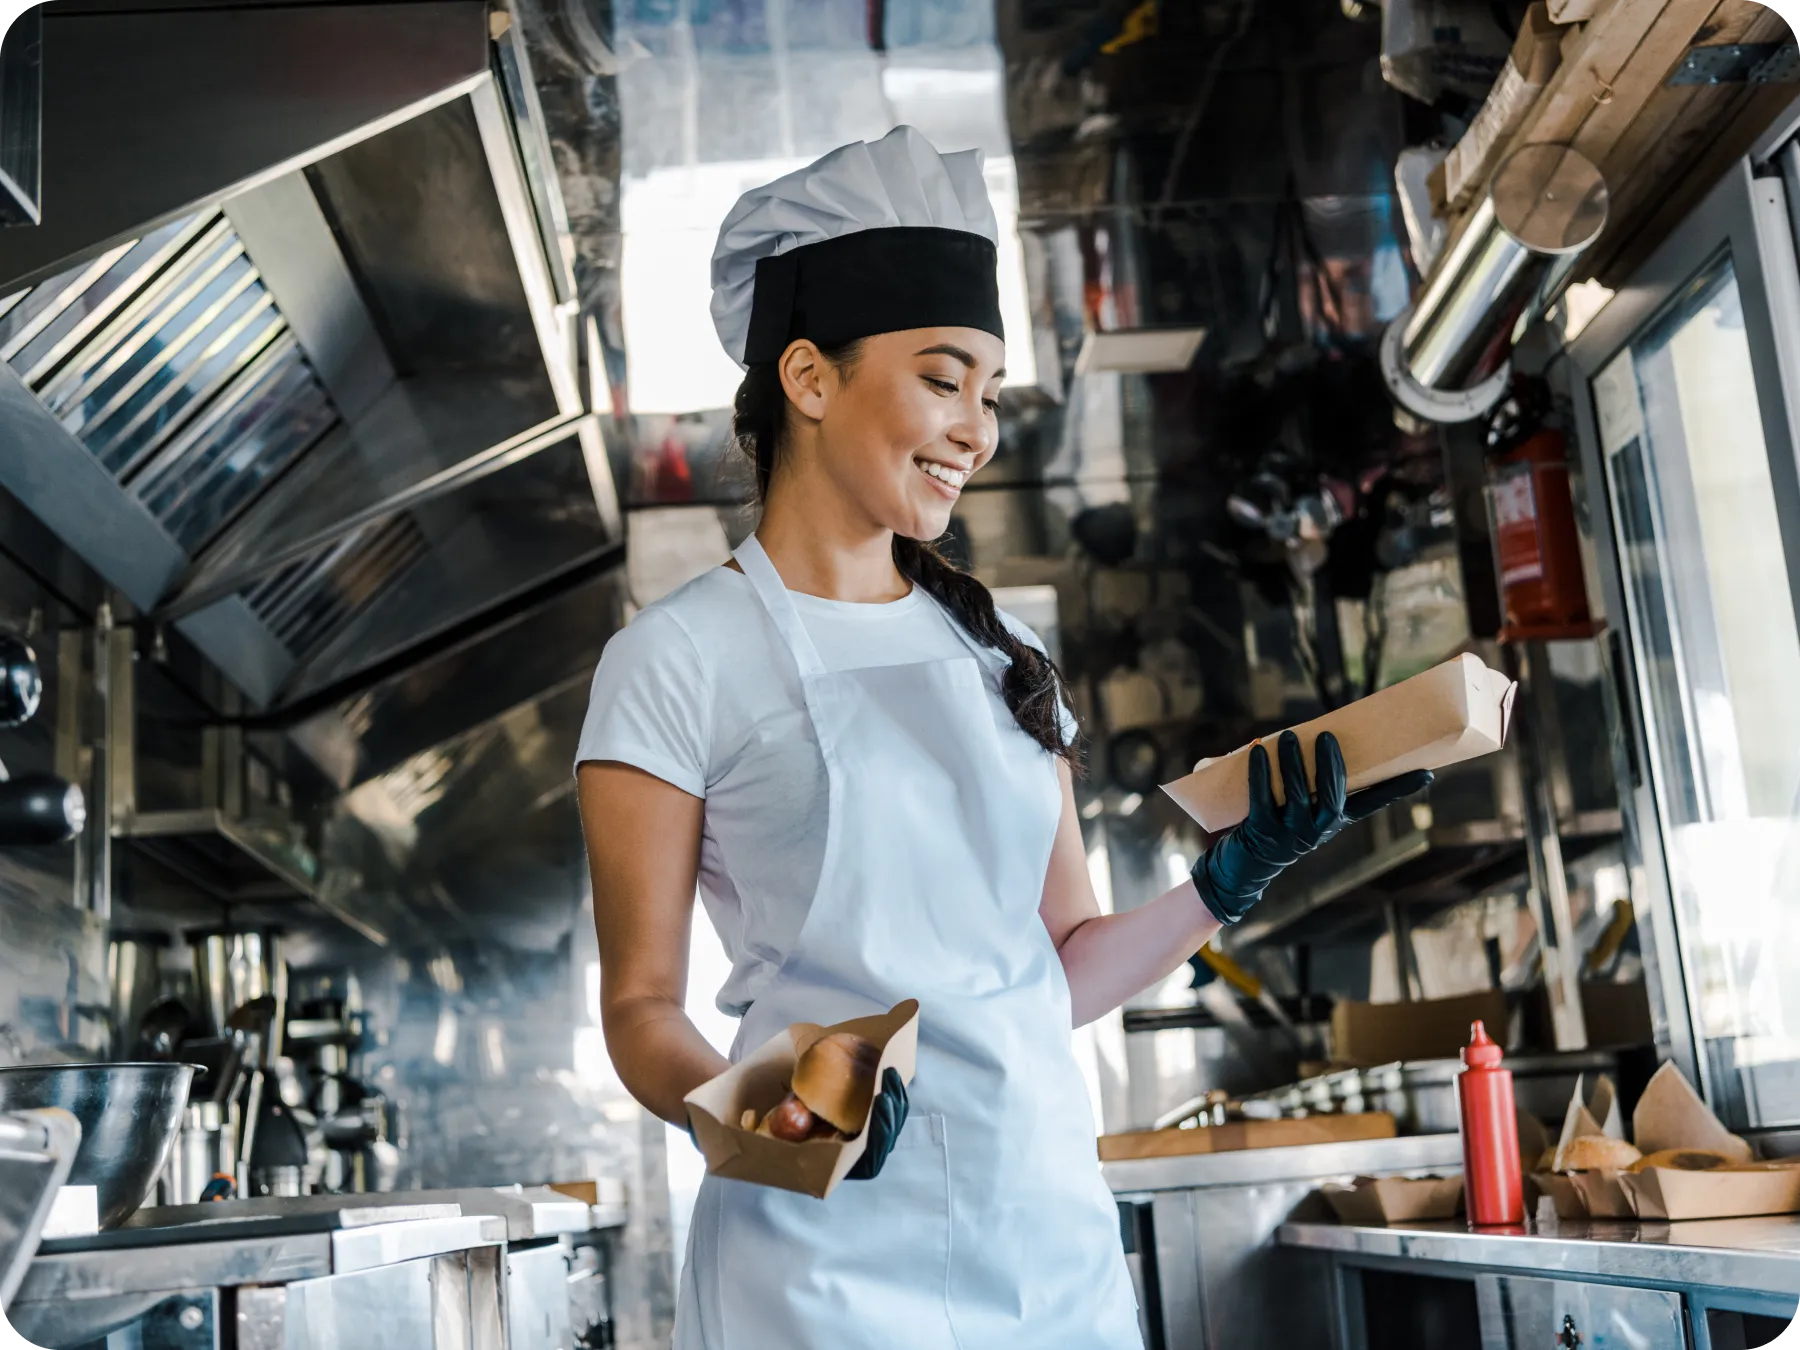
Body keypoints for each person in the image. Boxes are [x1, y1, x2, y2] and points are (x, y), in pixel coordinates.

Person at [575, 125, 1431, 1350]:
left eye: (989, 391)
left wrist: (1222, 887)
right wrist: (768, 1115)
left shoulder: (1001, 655)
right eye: (943, 380)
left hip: (1042, 1247)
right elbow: (642, 1008)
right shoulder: (676, 659)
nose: (977, 430)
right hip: (815, 1264)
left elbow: (1056, 971)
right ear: (808, 378)